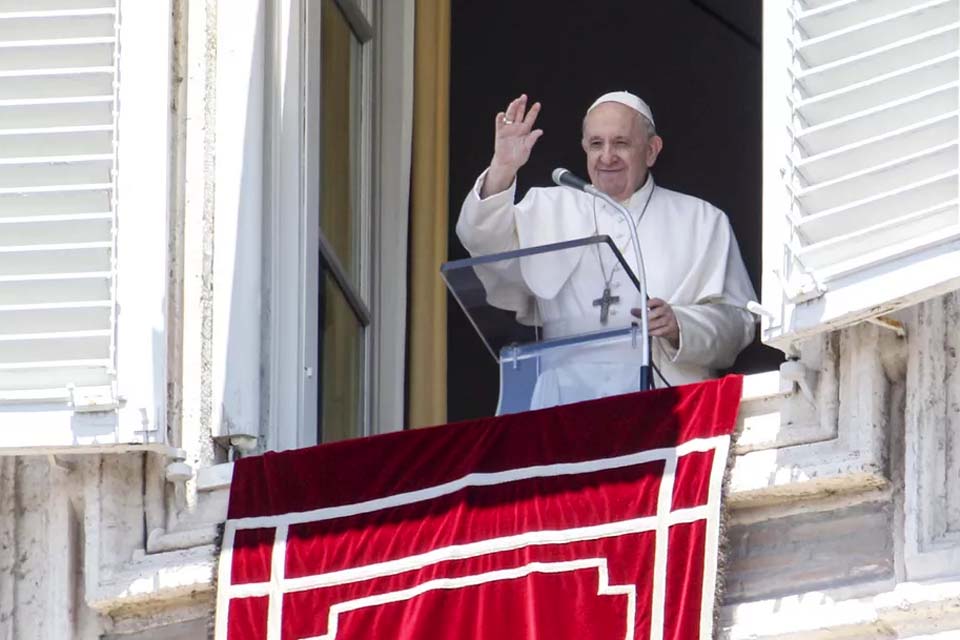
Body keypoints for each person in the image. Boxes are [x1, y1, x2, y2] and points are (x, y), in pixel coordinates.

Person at [456, 91, 756, 408]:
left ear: (652, 151)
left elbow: (738, 323)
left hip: (666, 405)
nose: (607, 156)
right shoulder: (548, 207)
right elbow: (481, 241)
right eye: (596, 144)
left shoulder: (702, 220)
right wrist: (502, 168)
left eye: (621, 143)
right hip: (564, 406)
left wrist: (680, 326)